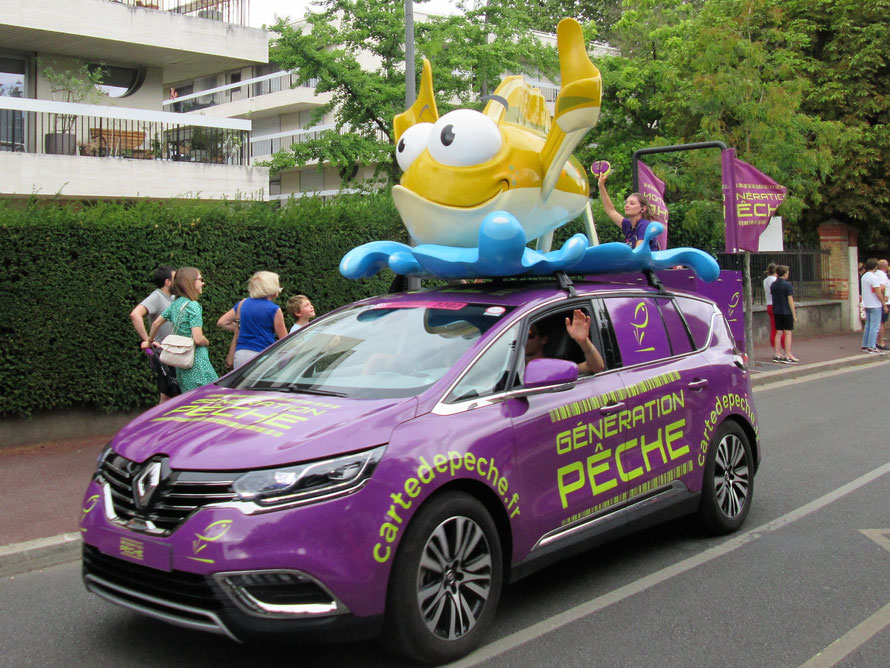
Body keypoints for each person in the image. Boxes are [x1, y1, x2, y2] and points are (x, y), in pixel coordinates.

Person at [145, 267, 218, 393]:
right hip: (197, 362)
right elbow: (198, 338)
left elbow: (156, 323)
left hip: (181, 362)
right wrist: (206, 342)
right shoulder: (193, 306)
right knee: (210, 397)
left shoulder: (176, 304)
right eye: (200, 279)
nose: (203, 283)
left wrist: (149, 340)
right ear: (190, 282)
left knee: (190, 399)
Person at [217, 271, 288, 368]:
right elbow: (284, 339)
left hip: (240, 354)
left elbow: (222, 322)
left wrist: (240, 329)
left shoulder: (243, 303)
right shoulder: (274, 309)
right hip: (262, 355)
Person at [130, 266, 179, 403]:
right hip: (164, 354)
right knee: (169, 393)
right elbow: (135, 314)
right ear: (168, 282)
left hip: (176, 354)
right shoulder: (157, 297)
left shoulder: (173, 298)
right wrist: (148, 340)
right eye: (176, 279)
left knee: (170, 393)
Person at [526, 309, 605, 374]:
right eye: (521, 335)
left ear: (543, 339)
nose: (523, 339)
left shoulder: (557, 368)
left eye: (529, 334)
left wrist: (583, 342)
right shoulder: (515, 366)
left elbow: (596, 367)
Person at [597, 171, 659, 251]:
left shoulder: (644, 225)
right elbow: (610, 211)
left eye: (632, 203)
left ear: (643, 209)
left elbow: (638, 253)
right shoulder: (628, 225)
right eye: (626, 203)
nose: (627, 205)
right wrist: (601, 186)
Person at [770, 265, 798, 364]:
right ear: (785, 273)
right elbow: (790, 301)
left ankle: (777, 354)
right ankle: (787, 355)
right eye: (787, 272)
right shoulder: (787, 285)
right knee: (788, 333)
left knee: (778, 332)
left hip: (776, 310)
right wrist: (794, 315)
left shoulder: (773, 285)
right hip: (786, 311)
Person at [860, 258, 885, 354]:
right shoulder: (874, 278)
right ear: (876, 266)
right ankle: (871, 346)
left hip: (867, 303)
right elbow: (878, 293)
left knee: (868, 325)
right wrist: (883, 304)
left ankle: (865, 345)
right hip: (875, 304)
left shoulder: (864, 276)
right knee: (875, 326)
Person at [762, 263, 784, 352]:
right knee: (780, 328)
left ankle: (775, 347)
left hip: (769, 304)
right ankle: (780, 348)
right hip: (776, 304)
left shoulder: (765, 280)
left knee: (773, 327)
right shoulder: (775, 280)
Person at [876, 259, 890, 350]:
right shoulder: (882, 275)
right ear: (885, 267)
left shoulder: (875, 274)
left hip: (878, 302)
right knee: (881, 322)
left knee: (878, 322)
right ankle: (880, 342)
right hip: (885, 302)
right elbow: (881, 288)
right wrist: (884, 299)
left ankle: (877, 341)